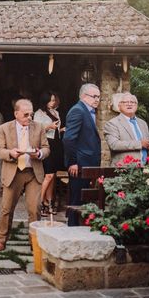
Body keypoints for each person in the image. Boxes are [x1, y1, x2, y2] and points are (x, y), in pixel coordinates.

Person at [0, 99, 50, 251]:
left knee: (35, 209)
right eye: (26, 115)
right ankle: (2, 238)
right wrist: (11, 153)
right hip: (14, 172)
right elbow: (0, 151)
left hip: (33, 172)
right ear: (16, 114)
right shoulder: (5, 128)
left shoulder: (39, 127)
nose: (29, 117)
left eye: (31, 114)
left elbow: (46, 148)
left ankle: (34, 241)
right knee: (7, 208)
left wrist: (39, 154)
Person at [62, 83, 102, 226]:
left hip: (87, 163)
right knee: (76, 200)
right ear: (84, 96)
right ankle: (73, 229)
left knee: (84, 198)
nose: (97, 99)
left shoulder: (88, 111)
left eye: (99, 96)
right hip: (79, 164)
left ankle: (80, 228)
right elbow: (68, 138)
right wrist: (73, 162)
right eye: (94, 96)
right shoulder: (78, 111)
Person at [34, 91, 64, 216]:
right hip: (46, 144)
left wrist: (61, 129)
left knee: (53, 175)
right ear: (45, 100)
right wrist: (48, 126)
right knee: (48, 175)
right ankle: (39, 202)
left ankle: (49, 202)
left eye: (54, 100)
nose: (53, 102)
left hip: (56, 144)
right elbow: (36, 129)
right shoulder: (38, 114)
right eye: (51, 100)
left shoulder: (55, 112)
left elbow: (56, 129)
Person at [104, 93, 149, 166]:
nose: (129, 104)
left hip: (145, 169)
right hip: (123, 169)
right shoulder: (112, 124)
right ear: (119, 106)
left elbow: (148, 141)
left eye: (132, 102)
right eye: (125, 102)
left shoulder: (143, 123)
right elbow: (114, 145)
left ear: (136, 106)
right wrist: (140, 144)